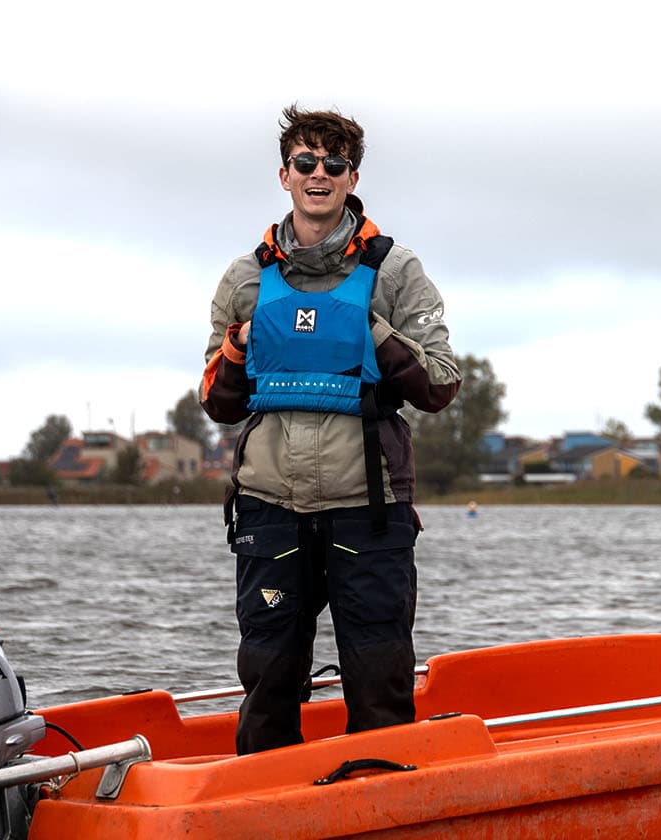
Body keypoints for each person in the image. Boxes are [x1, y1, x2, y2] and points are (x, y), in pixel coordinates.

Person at [201, 105, 460, 754]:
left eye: (333, 164)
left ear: (352, 176)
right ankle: (261, 811)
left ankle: (377, 807)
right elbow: (219, 405)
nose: (319, 174)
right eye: (306, 162)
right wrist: (237, 349)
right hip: (270, 510)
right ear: (284, 174)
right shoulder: (245, 278)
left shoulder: (396, 270)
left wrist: (367, 332)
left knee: (379, 683)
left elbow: (440, 385)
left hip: (367, 510)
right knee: (267, 683)